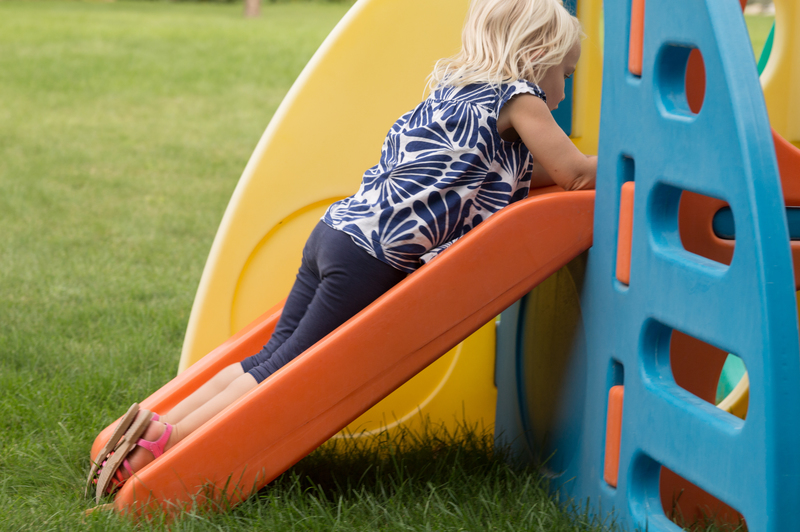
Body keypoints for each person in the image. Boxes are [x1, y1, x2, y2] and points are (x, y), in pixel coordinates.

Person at [88, 0, 597, 499]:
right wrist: (622, 160)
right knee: (282, 371)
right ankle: (165, 444)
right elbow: (572, 171)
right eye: (566, 74)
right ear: (539, 57)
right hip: (370, 257)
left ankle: (157, 422)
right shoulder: (520, 97)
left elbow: (521, 177)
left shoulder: (454, 92)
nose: (562, 92)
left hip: (336, 232)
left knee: (267, 356)